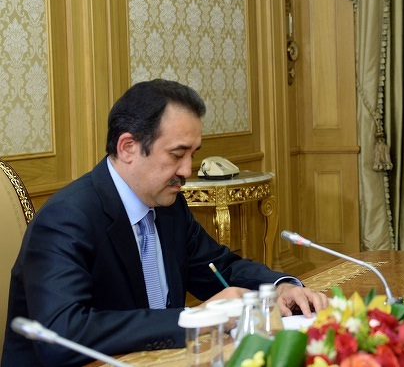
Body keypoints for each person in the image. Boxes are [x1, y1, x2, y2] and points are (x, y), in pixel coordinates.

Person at [2, 79, 329, 366]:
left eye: (192, 154)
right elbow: (61, 337)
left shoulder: (168, 206)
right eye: (177, 154)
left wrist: (279, 288)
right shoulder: (67, 218)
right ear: (128, 147)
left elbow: (219, 269)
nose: (187, 171)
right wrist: (193, 318)